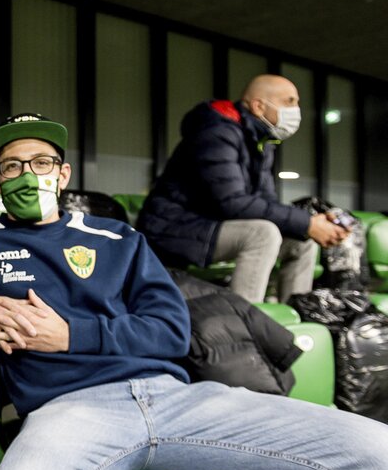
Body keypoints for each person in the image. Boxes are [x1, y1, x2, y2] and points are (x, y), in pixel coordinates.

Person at [0, 112, 388, 470]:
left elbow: (172, 332)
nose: (27, 174)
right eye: (11, 166)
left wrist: (72, 336)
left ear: (63, 174)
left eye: (41, 162)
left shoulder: (118, 239)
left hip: (175, 400)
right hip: (69, 412)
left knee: (376, 455)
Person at [137, 74, 349, 303]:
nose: (296, 110)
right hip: (173, 228)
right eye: (289, 102)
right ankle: (245, 323)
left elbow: (266, 201)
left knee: (302, 241)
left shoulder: (260, 142)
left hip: (211, 225)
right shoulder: (217, 132)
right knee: (263, 234)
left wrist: (311, 225)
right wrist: (306, 222)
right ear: (258, 106)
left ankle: (295, 318)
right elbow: (232, 203)